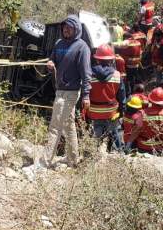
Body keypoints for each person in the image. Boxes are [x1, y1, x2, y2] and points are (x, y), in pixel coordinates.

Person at [44, 15, 92, 167]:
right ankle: (73, 159)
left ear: (76, 29)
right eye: (64, 27)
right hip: (59, 90)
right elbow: (52, 59)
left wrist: (86, 95)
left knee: (55, 125)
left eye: (69, 27)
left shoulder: (82, 47)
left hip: (72, 92)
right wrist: (50, 63)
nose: (66, 29)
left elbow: (86, 74)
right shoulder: (59, 43)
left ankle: (45, 161)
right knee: (68, 124)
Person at [85, 44, 126, 152]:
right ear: (111, 60)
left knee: (95, 137)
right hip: (111, 113)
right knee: (115, 133)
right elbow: (122, 98)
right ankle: (119, 154)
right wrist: (121, 112)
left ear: (97, 59)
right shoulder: (117, 75)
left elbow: (84, 94)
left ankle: (92, 154)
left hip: (93, 112)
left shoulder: (88, 74)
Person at [136, 87, 163, 153]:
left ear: (150, 100)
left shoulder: (142, 113)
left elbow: (136, 129)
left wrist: (129, 143)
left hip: (143, 147)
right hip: (161, 147)